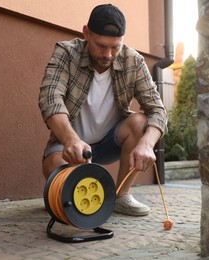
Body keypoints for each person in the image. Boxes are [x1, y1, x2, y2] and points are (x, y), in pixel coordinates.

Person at [39, 4, 167, 216]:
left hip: (109, 143)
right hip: (68, 146)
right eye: (101, 45)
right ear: (86, 33)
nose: (108, 54)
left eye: (115, 47)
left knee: (140, 122)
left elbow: (158, 110)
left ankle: (121, 196)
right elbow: (50, 98)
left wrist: (147, 143)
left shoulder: (133, 61)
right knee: (55, 169)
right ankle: (63, 196)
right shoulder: (66, 53)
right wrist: (71, 140)